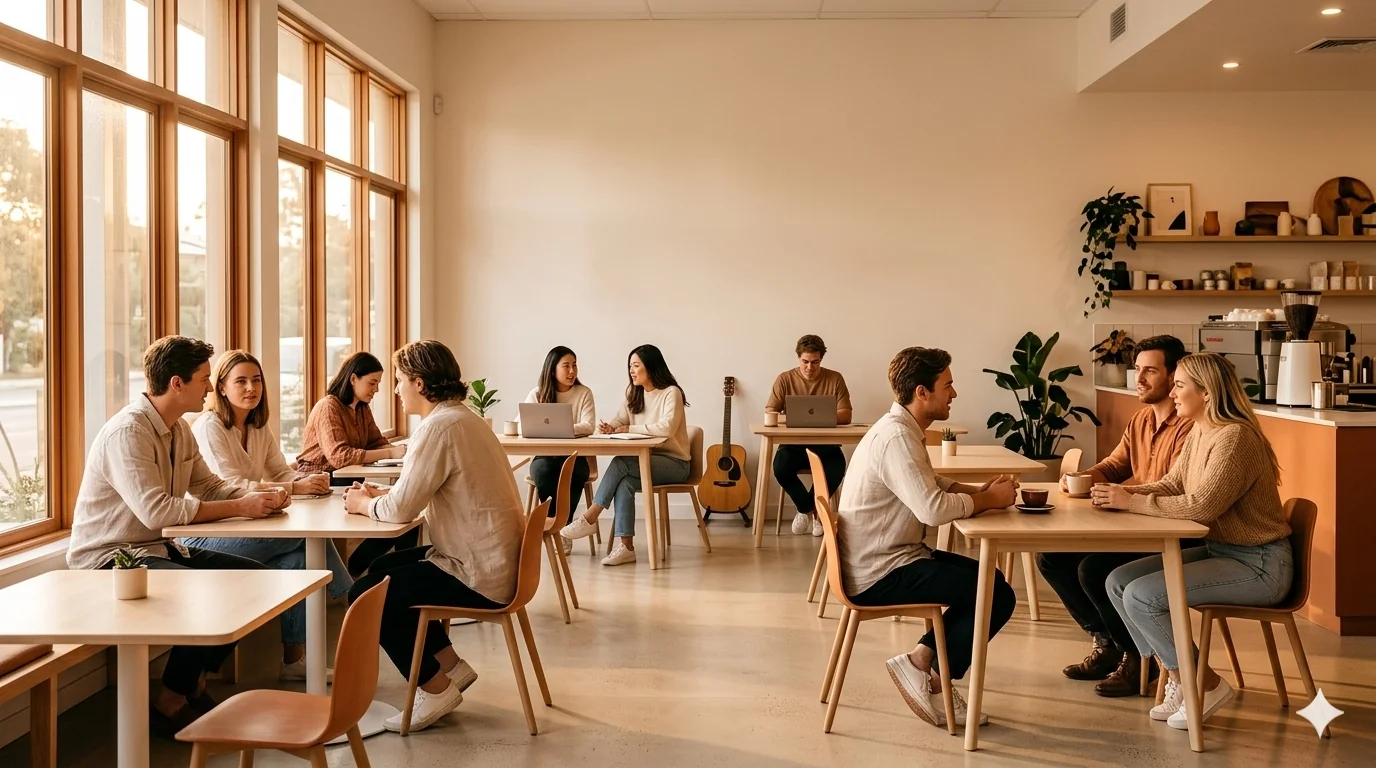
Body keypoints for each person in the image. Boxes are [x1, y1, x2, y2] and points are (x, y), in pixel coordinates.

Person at [66, 336, 289, 736]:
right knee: (207, 592)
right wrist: (240, 508)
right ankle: (171, 697)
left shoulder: (178, 430)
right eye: (205, 378)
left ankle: (190, 684)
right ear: (176, 384)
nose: (210, 387)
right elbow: (156, 512)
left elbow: (209, 487)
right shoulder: (128, 433)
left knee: (252, 580)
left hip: (155, 548)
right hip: (111, 558)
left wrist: (256, 495)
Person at [1095, 352, 1293, 730]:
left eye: (1179, 385)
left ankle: (1204, 682)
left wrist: (1132, 502)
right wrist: (1117, 495)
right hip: (1225, 552)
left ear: (1206, 392)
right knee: (1118, 582)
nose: (1172, 393)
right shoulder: (1203, 431)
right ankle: (1180, 678)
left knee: (1142, 596)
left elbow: (1201, 507)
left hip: (1261, 565)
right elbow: (1173, 485)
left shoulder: (1234, 438)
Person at [345, 340, 525, 733]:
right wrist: (383, 496)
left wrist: (362, 504)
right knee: (382, 566)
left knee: (365, 596)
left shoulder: (438, 428)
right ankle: (450, 665)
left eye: (398, 381)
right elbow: (424, 493)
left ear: (420, 384)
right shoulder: (462, 419)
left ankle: (435, 686)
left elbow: (399, 511)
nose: (394, 389)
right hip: (494, 559)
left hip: (478, 572)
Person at [838, 347, 1018, 729]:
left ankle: (924, 665)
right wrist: (986, 500)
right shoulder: (897, 438)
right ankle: (929, 674)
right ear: (922, 392)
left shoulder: (899, 429)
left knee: (993, 583)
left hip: (888, 558)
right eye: (948, 385)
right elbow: (932, 510)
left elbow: (929, 483)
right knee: (995, 592)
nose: (954, 393)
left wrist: (977, 491)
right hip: (880, 573)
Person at [1037, 335, 1195, 696]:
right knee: (1051, 558)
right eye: (1137, 369)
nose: (1138, 378)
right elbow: (1114, 465)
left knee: (1093, 568)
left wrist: (1126, 496)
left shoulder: (1189, 426)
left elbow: (1176, 488)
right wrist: (1080, 479)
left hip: (1174, 531)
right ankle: (1108, 642)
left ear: (1175, 376)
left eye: (1150, 371)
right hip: (1137, 525)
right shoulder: (1141, 420)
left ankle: (1137, 656)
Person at [182, 350, 354, 681]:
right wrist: (294, 489)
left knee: (299, 562)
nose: (251, 388)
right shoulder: (209, 426)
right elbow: (228, 485)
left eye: (256, 380)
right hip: (209, 536)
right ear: (220, 388)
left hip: (246, 529)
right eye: (241, 381)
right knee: (306, 540)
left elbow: (280, 471)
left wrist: (305, 482)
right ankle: (347, 594)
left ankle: (293, 662)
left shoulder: (258, 426)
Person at [560, 344, 690, 567]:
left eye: (636, 366)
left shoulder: (671, 393)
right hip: (645, 462)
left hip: (675, 463)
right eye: (630, 366)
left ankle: (590, 517)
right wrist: (610, 427)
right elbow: (621, 419)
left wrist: (629, 429)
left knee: (621, 463)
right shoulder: (634, 392)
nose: (632, 371)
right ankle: (626, 547)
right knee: (625, 483)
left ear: (651, 367)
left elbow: (666, 428)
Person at [295, 351, 414, 576]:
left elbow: (377, 442)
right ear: (353, 379)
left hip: (346, 484)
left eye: (378, 383)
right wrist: (390, 452)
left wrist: (401, 451)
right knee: (394, 518)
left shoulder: (361, 408)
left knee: (404, 520)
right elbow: (340, 457)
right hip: (319, 487)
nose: (376, 390)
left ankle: (391, 577)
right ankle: (350, 574)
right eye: (372, 382)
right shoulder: (328, 407)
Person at [766, 334, 852, 537]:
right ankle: (811, 511)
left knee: (837, 468)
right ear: (798, 358)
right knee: (780, 467)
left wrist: (815, 418)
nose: (809, 367)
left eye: (815, 362)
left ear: (821, 359)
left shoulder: (835, 378)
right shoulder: (785, 379)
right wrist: (791, 418)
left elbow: (846, 415)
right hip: (792, 445)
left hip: (827, 445)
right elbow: (770, 411)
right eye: (805, 361)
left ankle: (808, 510)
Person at [520, 346, 595, 553]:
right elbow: (522, 425)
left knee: (575, 471)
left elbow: (589, 425)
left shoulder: (583, 393)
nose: (572, 371)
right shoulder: (537, 393)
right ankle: (556, 526)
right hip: (543, 457)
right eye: (566, 366)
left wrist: (558, 429)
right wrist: (565, 429)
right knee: (544, 470)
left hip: (575, 457)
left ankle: (562, 528)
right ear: (552, 370)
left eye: (574, 365)